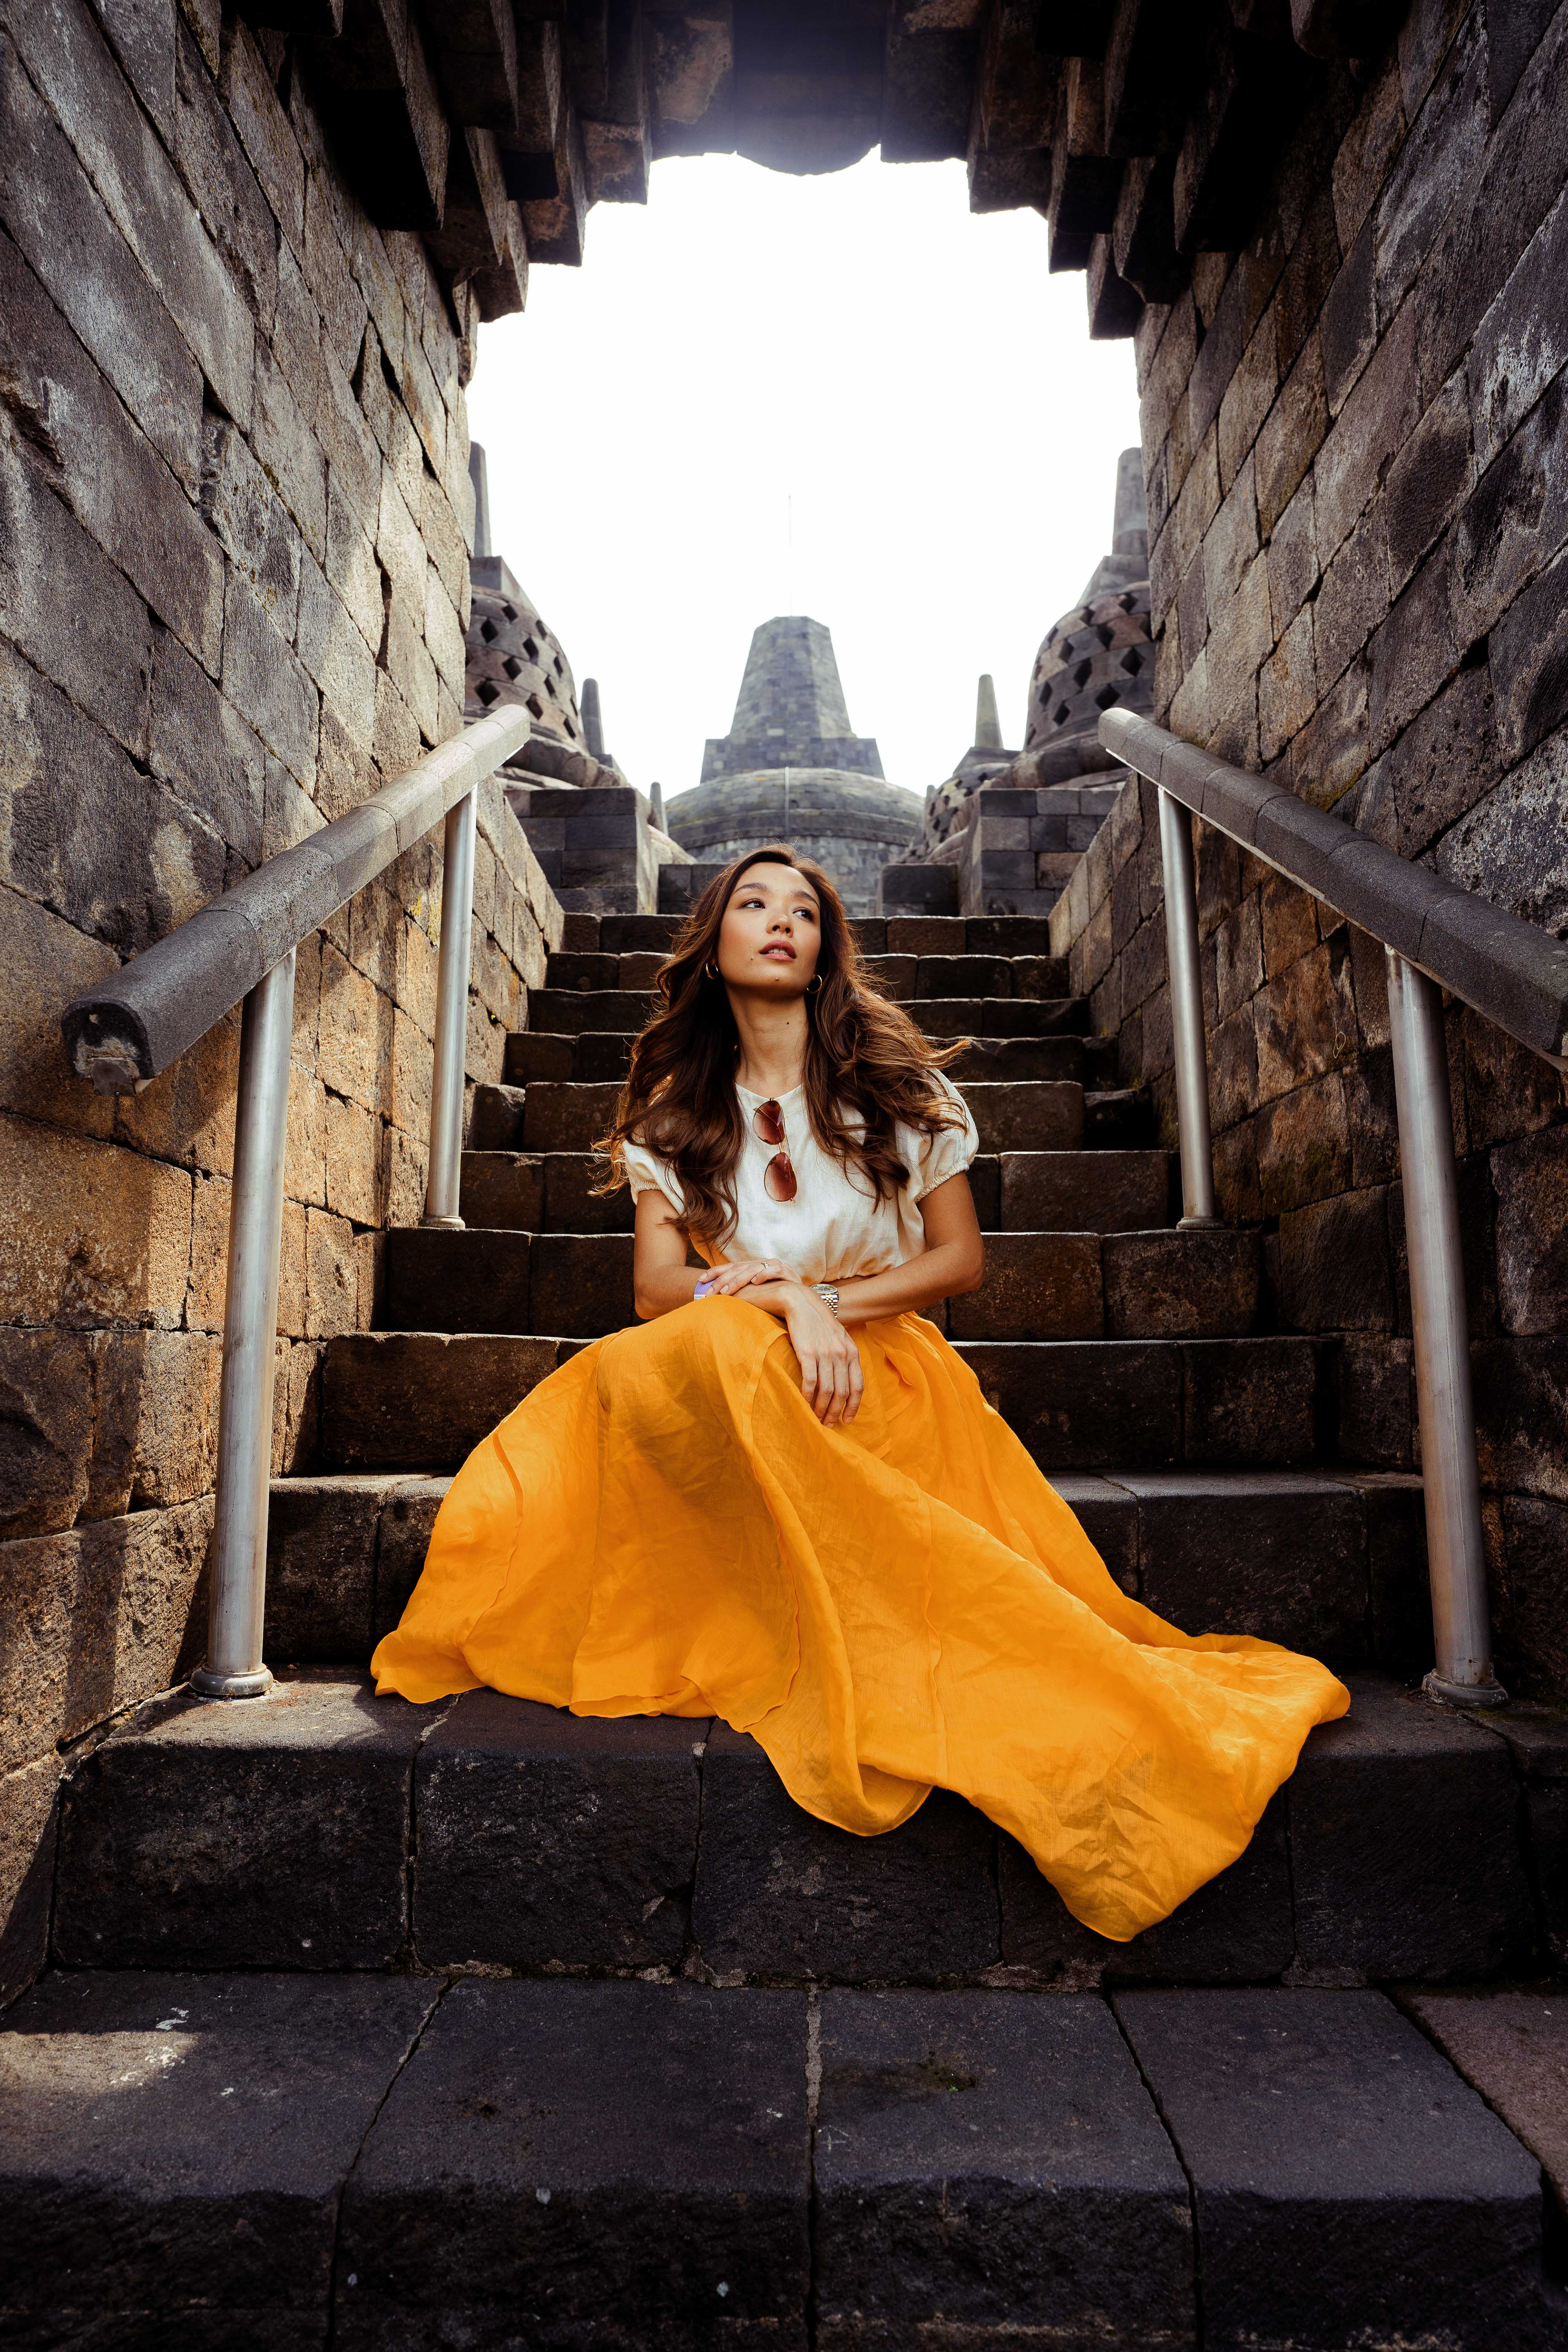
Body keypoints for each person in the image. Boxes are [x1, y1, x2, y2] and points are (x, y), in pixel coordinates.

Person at [372, 845, 1348, 1942]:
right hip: (737, 1360)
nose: (781, 921)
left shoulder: (899, 1093)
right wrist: (788, 1299)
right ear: (716, 941)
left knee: (740, 1351)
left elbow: (959, 1264)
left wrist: (832, 1302)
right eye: (753, 904)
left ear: (829, 950)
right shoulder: (670, 1115)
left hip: (872, 1374)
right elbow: (655, 1290)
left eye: (805, 911)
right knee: (672, 1353)